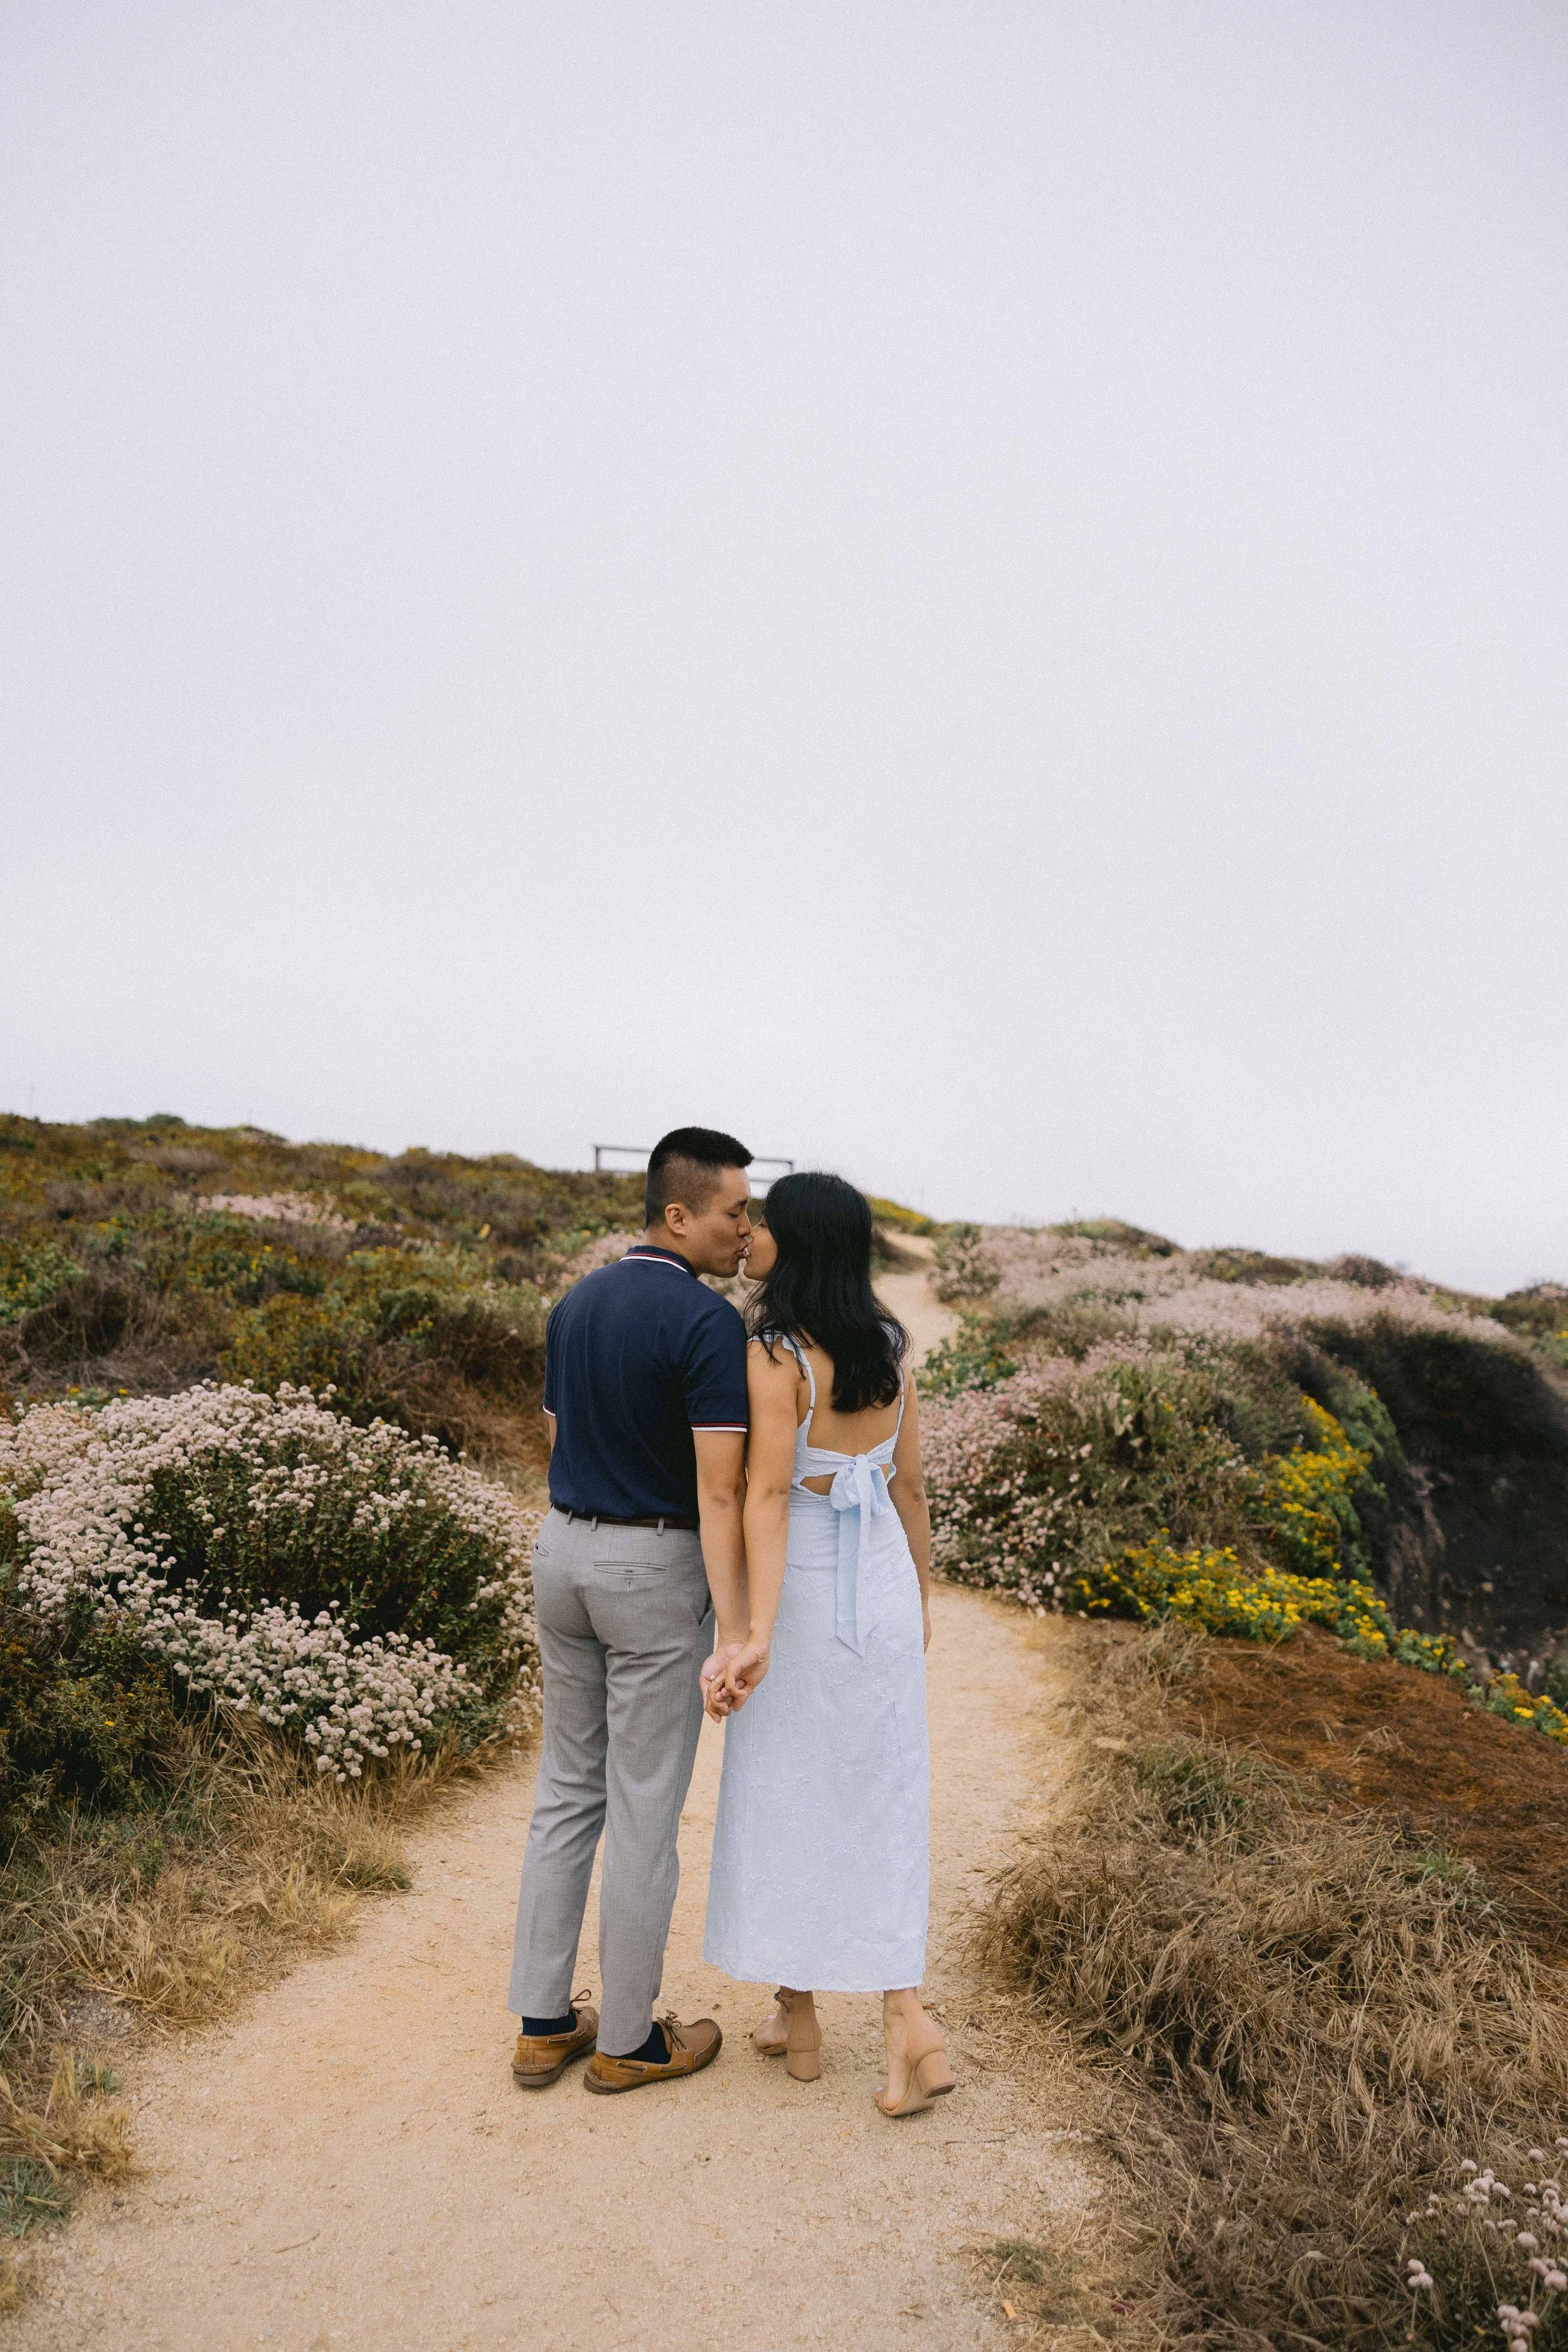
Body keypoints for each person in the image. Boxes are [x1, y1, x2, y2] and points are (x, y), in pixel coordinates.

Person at [701, 1172, 955, 2117]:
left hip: (805, 1584)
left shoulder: (774, 1352)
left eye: (766, 1222)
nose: (753, 1233)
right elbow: (910, 1487)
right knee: (880, 1793)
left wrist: (755, 1629)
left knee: (784, 1790)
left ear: (798, 1244)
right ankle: (849, 2012)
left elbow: (767, 1492)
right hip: (878, 1578)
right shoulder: (887, 1343)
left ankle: (834, 2020)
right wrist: (917, 1596)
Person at [507, 1126, 754, 2095]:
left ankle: (541, 2024)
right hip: (652, 1564)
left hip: (562, 1549)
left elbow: (557, 1435)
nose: (746, 1228)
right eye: (735, 1210)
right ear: (678, 1214)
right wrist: (736, 1627)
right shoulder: (707, 1323)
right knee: (646, 1802)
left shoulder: (574, 1303)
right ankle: (628, 2039)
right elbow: (721, 1491)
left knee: (568, 1786)